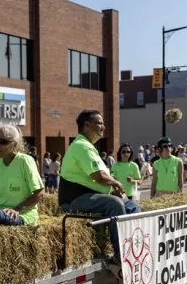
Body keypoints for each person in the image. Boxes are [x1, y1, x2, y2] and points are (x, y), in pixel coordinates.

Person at [58, 110, 140, 264]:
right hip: (74, 201)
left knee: (131, 206)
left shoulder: (88, 146)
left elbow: (99, 178)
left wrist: (112, 189)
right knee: (114, 204)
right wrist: (116, 184)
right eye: (100, 123)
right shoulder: (81, 146)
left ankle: (135, 244)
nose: (103, 127)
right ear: (87, 125)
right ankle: (121, 254)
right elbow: (100, 177)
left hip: (89, 196)